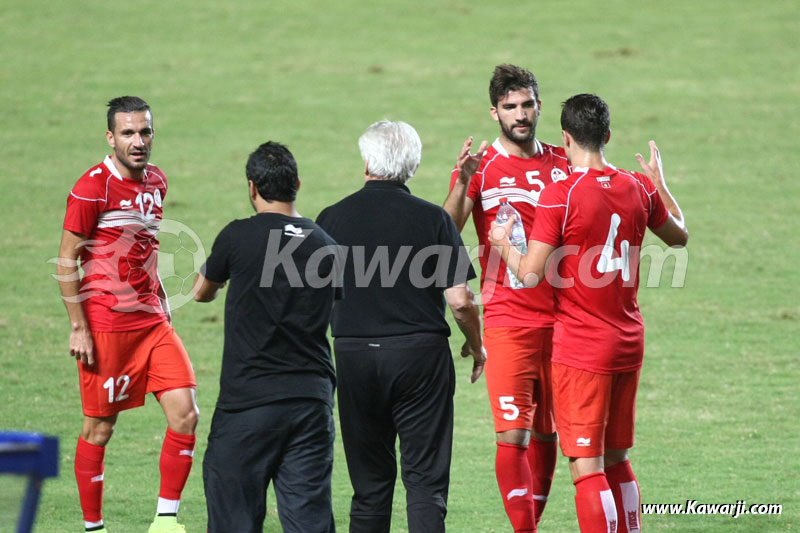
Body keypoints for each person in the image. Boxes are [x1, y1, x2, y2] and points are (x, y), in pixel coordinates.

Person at [489, 93, 689, 533]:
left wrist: (503, 240)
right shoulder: (638, 186)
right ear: (607, 136)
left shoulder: (560, 194)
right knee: (618, 459)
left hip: (582, 349)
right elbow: (679, 238)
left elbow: (529, 274)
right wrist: (661, 184)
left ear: (565, 137)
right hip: (628, 341)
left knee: (587, 466)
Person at [316, 120, 485, 533]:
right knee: (425, 484)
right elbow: (460, 301)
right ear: (413, 166)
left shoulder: (330, 220)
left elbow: (310, 302)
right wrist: (476, 346)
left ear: (366, 161)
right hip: (419, 359)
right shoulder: (432, 220)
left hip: (354, 357)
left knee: (370, 488)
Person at [57, 96, 198, 533]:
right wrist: (79, 327)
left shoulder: (157, 181)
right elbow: (66, 261)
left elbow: (146, 250)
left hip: (152, 322)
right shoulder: (92, 187)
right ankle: (94, 527)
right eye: (128, 133)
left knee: (186, 413)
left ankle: (165, 520)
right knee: (100, 429)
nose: (138, 141)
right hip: (107, 327)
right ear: (110, 137)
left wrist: (161, 300)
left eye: (145, 132)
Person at [443, 64, 570, 532]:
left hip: (564, 320)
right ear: (494, 112)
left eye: (527, 105)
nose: (520, 115)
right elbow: (445, 229)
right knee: (512, 433)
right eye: (510, 107)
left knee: (548, 432)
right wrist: (462, 181)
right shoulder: (482, 168)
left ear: (539, 104)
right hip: (506, 318)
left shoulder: (563, 161)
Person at [194, 141, 340, 533]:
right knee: (309, 521)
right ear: (296, 183)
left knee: (233, 518)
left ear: (252, 188)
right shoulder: (326, 244)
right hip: (311, 402)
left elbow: (201, 290)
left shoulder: (238, 236)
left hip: (248, 403)